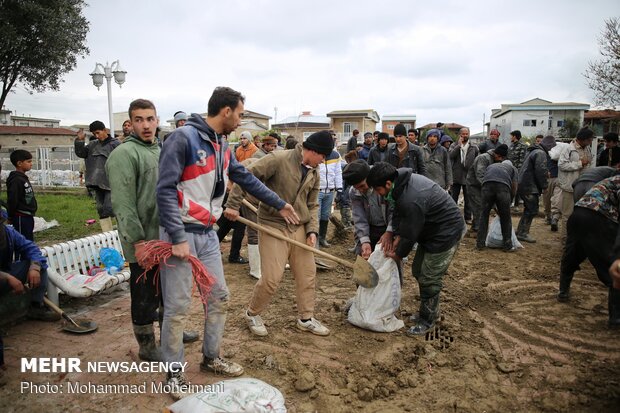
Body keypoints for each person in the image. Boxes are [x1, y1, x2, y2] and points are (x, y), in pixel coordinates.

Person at [156, 87, 299, 399]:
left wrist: (280, 204)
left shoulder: (222, 144)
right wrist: (177, 237)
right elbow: (165, 189)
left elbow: (246, 179)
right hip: (179, 235)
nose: (241, 120)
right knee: (178, 306)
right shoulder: (182, 139)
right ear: (226, 111)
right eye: (241, 113)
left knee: (218, 296)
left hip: (207, 234)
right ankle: (173, 373)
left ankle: (211, 356)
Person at [225, 131, 334, 338]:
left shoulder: (314, 171)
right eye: (323, 156)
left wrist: (312, 230)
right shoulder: (279, 159)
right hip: (273, 224)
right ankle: (252, 314)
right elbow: (245, 176)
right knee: (272, 278)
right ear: (313, 151)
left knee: (307, 274)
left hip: (299, 226)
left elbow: (312, 204)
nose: (323, 161)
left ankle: (306, 318)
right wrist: (233, 204)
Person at [367, 162, 465, 335]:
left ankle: (429, 319)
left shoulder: (412, 196)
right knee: (418, 270)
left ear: (388, 184)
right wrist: (393, 233)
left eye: (378, 190)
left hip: (446, 233)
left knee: (429, 276)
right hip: (430, 230)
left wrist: (397, 254)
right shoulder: (400, 186)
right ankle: (427, 311)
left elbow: (410, 233)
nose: (377, 194)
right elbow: (399, 213)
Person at [557, 175, 620, 329]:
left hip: (578, 212)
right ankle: (616, 319)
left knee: (572, 253)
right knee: (614, 266)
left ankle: (563, 292)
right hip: (599, 216)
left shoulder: (613, 178)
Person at [0, 220, 59, 322]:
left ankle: (36, 307)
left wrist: (34, 267)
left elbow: (31, 248)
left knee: (38, 265)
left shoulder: (8, 233)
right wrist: (7, 277)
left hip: (6, 273)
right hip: (3, 276)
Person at [75, 120, 120, 232]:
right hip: (96, 182)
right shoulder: (92, 145)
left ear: (105, 130)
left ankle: (121, 228)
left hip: (111, 183)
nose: (96, 136)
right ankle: (107, 233)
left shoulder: (116, 144)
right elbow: (81, 153)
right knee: (100, 209)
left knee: (110, 208)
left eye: (98, 132)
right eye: (94, 134)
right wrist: (80, 140)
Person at [343, 160, 392, 258]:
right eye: (357, 188)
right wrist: (364, 241)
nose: (361, 190)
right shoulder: (354, 192)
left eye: (362, 186)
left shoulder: (384, 183)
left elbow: (394, 212)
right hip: (370, 228)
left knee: (389, 260)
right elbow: (359, 217)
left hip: (389, 227)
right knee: (363, 256)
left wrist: (389, 232)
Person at [558, 127, 594, 241]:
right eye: (589, 139)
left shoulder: (587, 149)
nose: (591, 142)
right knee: (567, 215)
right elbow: (562, 165)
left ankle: (577, 239)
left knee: (582, 215)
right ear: (582, 139)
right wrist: (579, 163)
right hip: (570, 187)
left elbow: (590, 164)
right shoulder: (568, 149)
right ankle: (566, 239)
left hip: (584, 188)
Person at [476, 160, 518, 251]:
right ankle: (507, 245)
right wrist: (510, 201)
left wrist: (493, 204)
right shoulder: (513, 169)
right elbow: (514, 186)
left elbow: (487, 180)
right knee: (505, 217)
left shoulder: (492, 165)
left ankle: (480, 244)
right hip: (503, 188)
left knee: (484, 215)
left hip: (486, 186)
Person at [514, 139, 550, 243]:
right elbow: (541, 170)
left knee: (528, 208)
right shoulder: (540, 153)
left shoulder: (532, 151)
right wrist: (544, 184)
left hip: (524, 183)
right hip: (530, 185)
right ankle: (523, 233)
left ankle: (521, 230)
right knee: (532, 209)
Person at [466, 144, 508, 232]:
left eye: (502, 158)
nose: (500, 159)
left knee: (482, 207)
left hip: (484, 186)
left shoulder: (496, 160)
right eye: (500, 157)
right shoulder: (483, 158)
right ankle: (478, 229)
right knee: (479, 207)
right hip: (474, 185)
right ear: (496, 154)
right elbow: (480, 175)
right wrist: (489, 189)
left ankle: (474, 228)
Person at [317, 137, 343, 247]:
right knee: (316, 216)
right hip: (318, 190)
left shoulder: (336, 155)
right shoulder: (317, 154)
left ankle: (322, 238)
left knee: (325, 216)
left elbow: (338, 172)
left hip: (330, 190)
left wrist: (339, 187)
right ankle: (315, 240)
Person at [449, 127, 479, 223]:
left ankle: (467, 217)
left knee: (468, 198)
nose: (465, 135)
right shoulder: (454, 145)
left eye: (467, 134)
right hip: (456, 175)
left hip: (468, 176)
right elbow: (451, 155)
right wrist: (459, 146)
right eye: (463, 134)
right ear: (460, 135)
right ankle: (453, 217)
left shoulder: (473, 146)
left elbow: (477, 158)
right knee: (454, 197)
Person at [6, 150, 37, 241]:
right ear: (19, 163)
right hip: (20, 217)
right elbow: (12, 199)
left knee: (29, 240)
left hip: (28, 216)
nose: (31, 164)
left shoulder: (23, 178)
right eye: (28, 161)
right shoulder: (16, 180)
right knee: (22, 242)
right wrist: (10, 216)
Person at [507, 130, 527, 208]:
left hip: (517, 170)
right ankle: (510, 202)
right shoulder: (511, 145)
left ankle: (516, 204)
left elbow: (522, 159)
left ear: (515, 136)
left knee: (517, 187)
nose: (510, 137)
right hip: (510, 169)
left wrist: (518, 171)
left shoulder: (522, 146)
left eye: (511, 136)